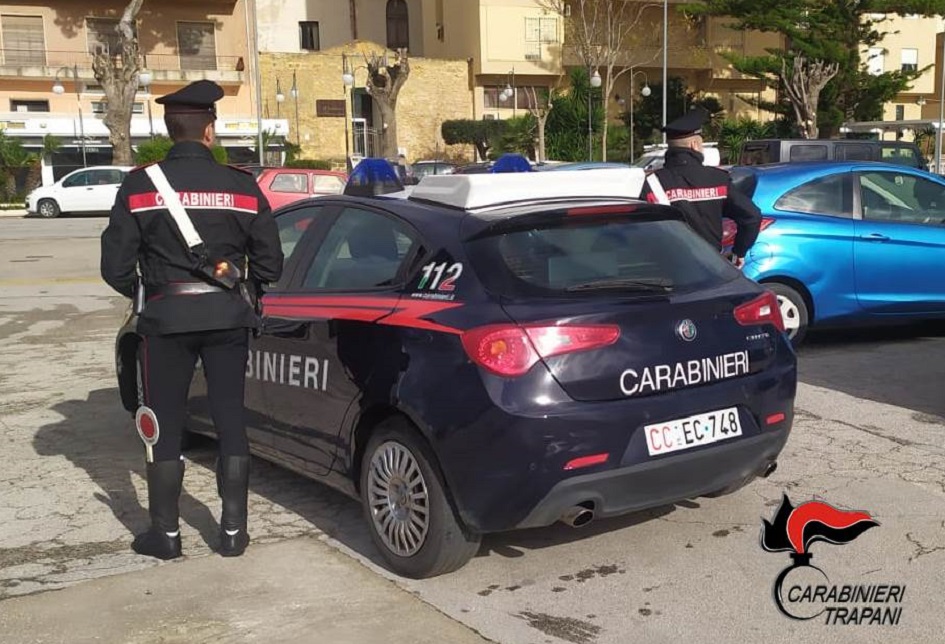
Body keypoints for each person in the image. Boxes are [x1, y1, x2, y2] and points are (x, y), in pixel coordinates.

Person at [100, 80, 284, 560]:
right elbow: (271, 265)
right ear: (209, 131)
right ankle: (233, 533)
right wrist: (245, 288)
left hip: (165, 320)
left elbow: (115, 268)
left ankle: (166, 536)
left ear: (169, 130)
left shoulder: (140, 186)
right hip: (228, 319)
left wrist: (152, 295)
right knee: (230, 418)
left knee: (163, 421)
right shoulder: (242, 186)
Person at [639, 107, 761, 267]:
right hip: (710, 269)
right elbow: (752, 217)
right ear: (694, 145)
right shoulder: (718, 179)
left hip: (670, 269)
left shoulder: (653, 182)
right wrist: (739, 251)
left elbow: (641, 230)